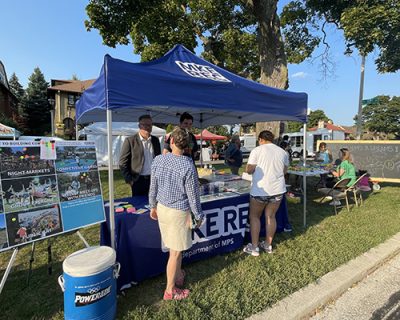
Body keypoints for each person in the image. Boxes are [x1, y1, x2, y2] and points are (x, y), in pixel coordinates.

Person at [149, 127, 204, 301]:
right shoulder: (187, 165)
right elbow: (193, 196)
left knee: (175, 249)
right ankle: (170, 290)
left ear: (171, 141)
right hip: (178, 212)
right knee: (175, 252)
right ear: (187, 145)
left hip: (163, 209)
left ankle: (177, 275)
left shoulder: (158, 160)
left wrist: (152, 206)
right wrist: (198, 215)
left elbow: (153, 188)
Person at [243, 130, 289, 256]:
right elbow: (285, 171)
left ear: (261, 139)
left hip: (260, 191)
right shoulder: (282, 152)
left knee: (254, 217)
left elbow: (249, 169)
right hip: (277, 190)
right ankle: (268, 245)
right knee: (271, 217)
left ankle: (254, 247)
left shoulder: (257, 150)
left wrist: (251, 169)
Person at [119, 115, 161, 196]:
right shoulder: (130, 141)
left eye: (149, 125)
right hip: (138, 180)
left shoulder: (155, 140)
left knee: (154, 204)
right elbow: (122, 163)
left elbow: (158, 159)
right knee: (139, 206)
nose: (147, 127)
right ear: (139, 126)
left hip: (153, 179)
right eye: (144, 125)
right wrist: (129, 180)